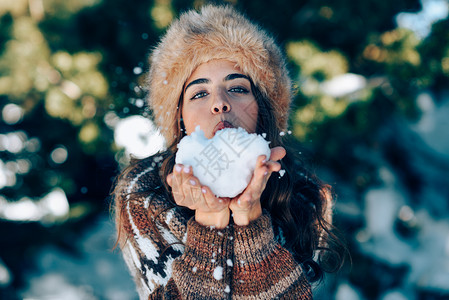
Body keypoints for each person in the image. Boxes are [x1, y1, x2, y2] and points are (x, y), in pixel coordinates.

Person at [112, 4, 344, 299]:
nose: (219, 103)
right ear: (180, 116)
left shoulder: (305, 198)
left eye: (237, 88)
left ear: (263, 109)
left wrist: (249, 218)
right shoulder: (143, 192)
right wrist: (210, 220)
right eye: (199, 93)